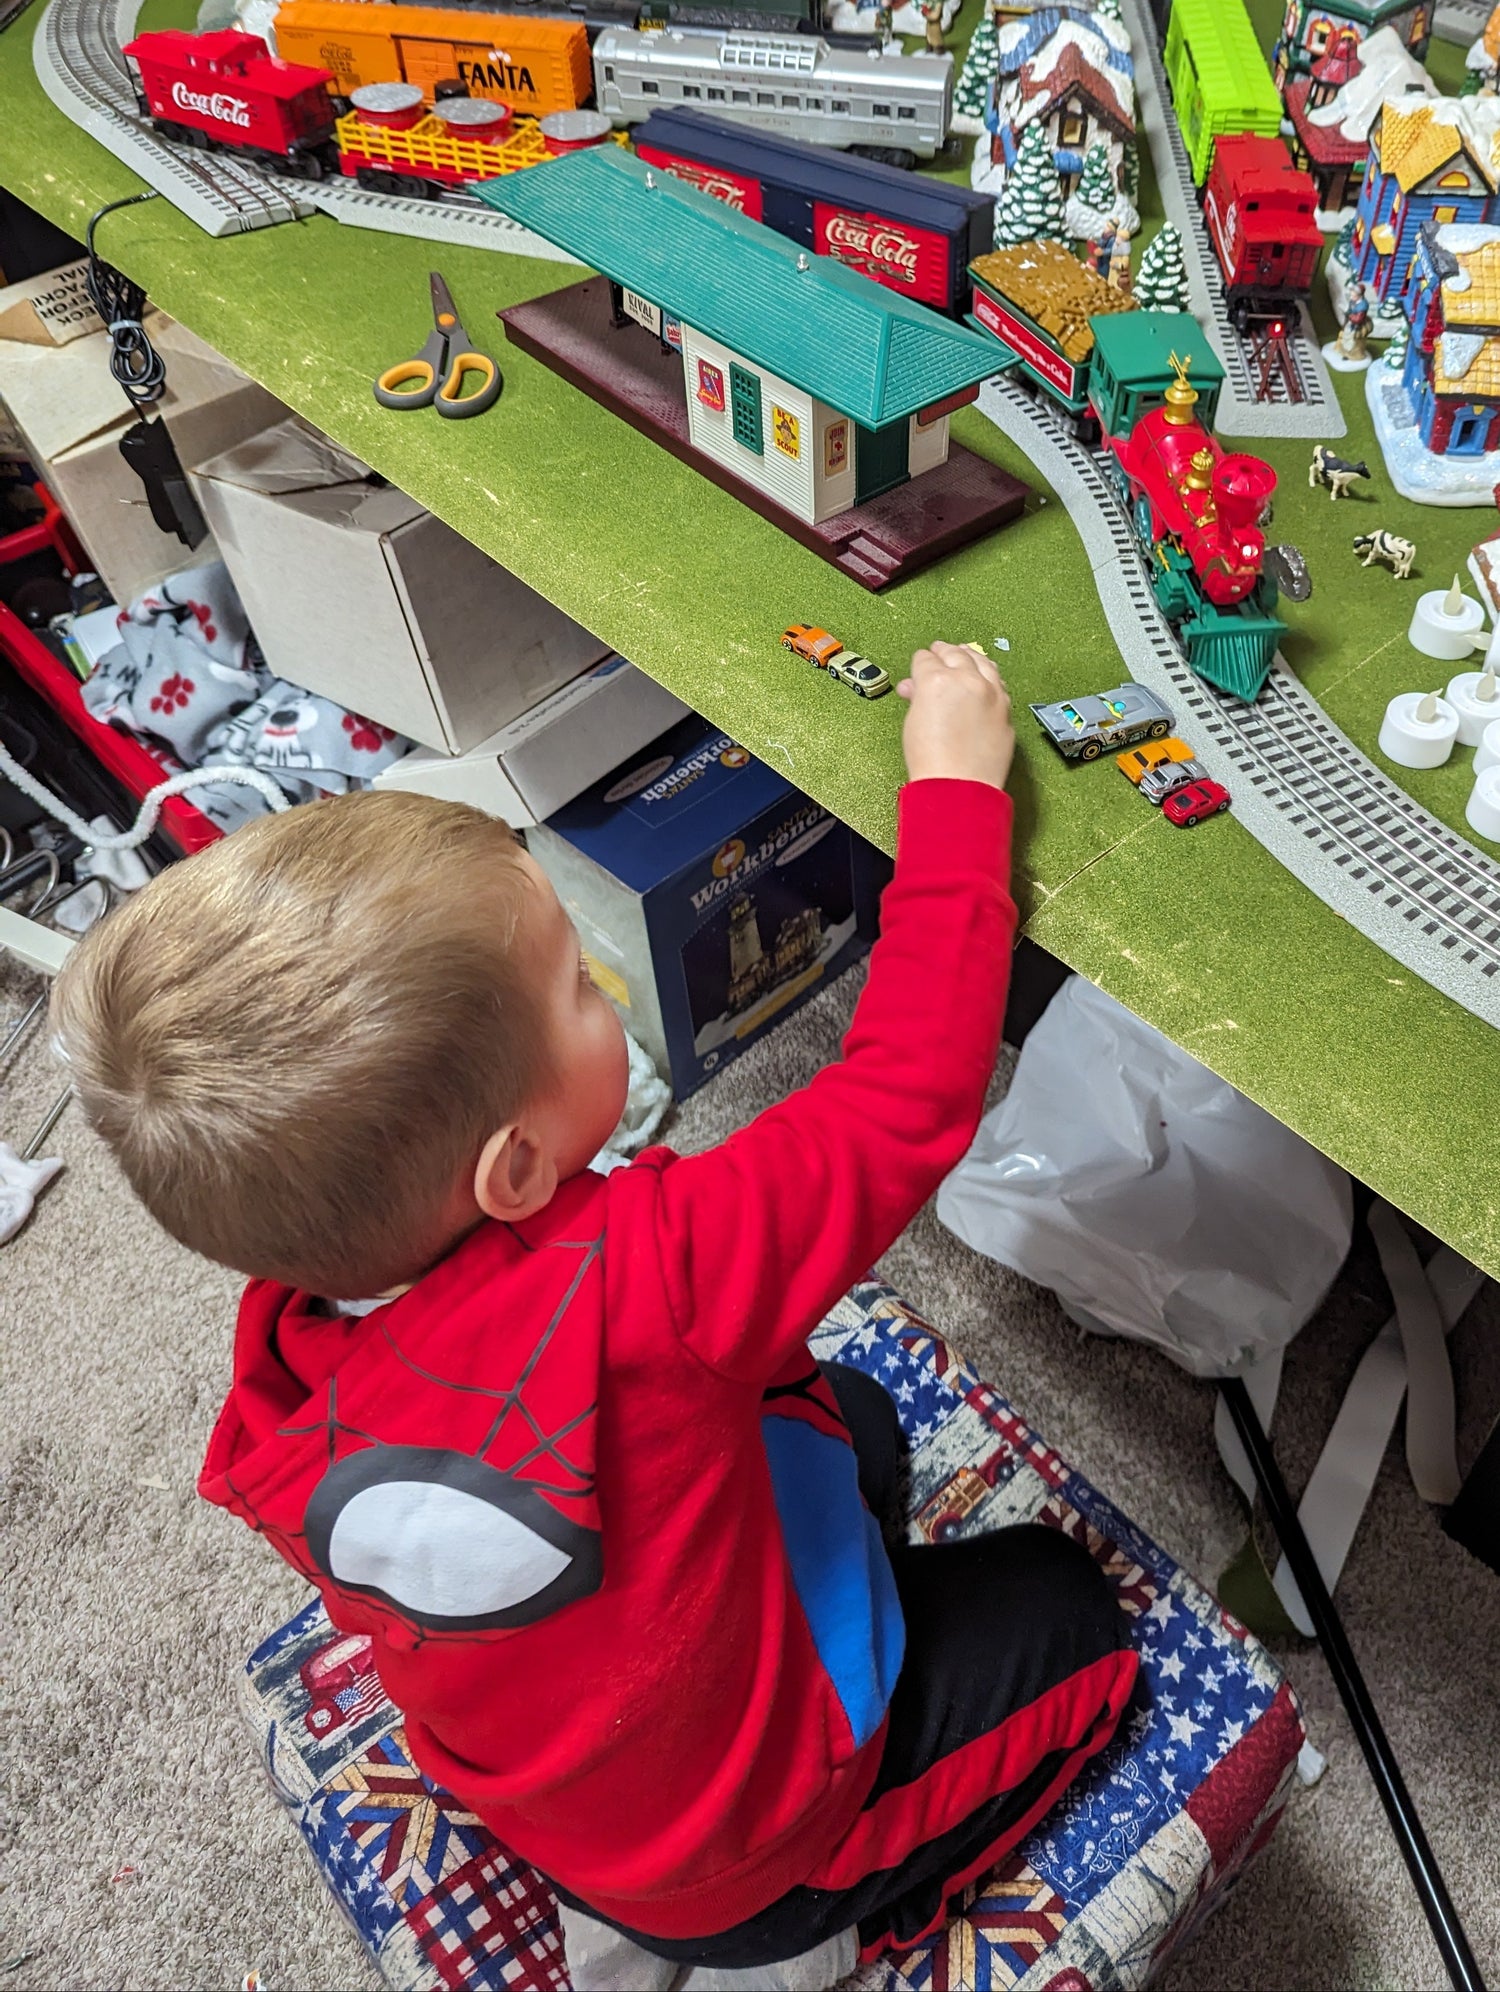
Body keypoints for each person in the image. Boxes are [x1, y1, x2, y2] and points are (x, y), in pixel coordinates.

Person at [51, 642, 1136, 1980]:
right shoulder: (655, 1270)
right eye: (576, 984)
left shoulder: (281, 1351)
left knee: (843, 1413)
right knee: (1075, 1617)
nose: (608, 987)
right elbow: (904, 1095)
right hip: (758, 1850)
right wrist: (959, 794)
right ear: (511, 1172)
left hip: (565, 1791)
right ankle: (831, 1933)